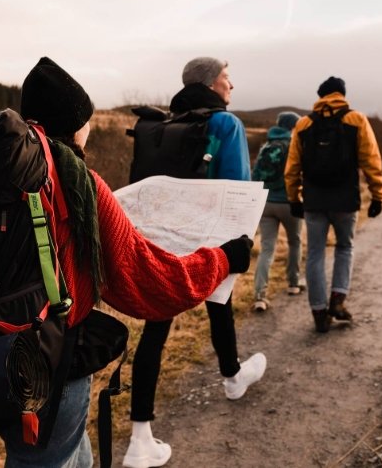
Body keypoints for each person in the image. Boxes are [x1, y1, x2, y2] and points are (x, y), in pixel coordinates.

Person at [5, 56, 254, 468]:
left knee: (74, 456)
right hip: (45, 362)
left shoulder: (1, 168)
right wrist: (224, 258)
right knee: (46, 458)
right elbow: (154, 284)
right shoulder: (76, 182)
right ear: (75, 125)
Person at [122, 57, 267, 468]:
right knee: (219, 304)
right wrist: (239, 246)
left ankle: (139, 437)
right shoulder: (225, 124)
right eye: (226, 78)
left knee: (156, 327)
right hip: (211, 243)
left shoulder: (164, 124)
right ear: (210, 83)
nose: (231, 85)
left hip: (165, 243)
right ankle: (233, 377)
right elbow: (237, 190)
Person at [284, 76, 382, 333]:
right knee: (344, 248)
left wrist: (294, 198)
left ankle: (319, 312)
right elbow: (370, 160)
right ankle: (338, 301)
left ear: (320, 96)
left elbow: (292, 166)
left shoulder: (304, 124)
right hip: (345, 200)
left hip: (314, 201)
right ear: (342, 94)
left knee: (315, 254)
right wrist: (377, 194)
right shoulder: (356, 119)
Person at [251, 111, 305, 311]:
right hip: (289, 203)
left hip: (266, 204)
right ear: (292, 126)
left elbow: (255, 174)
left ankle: (259, 296)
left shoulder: (266, 146)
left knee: (266, 249)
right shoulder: (294, 145)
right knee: (295, 242)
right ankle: (293, 283)